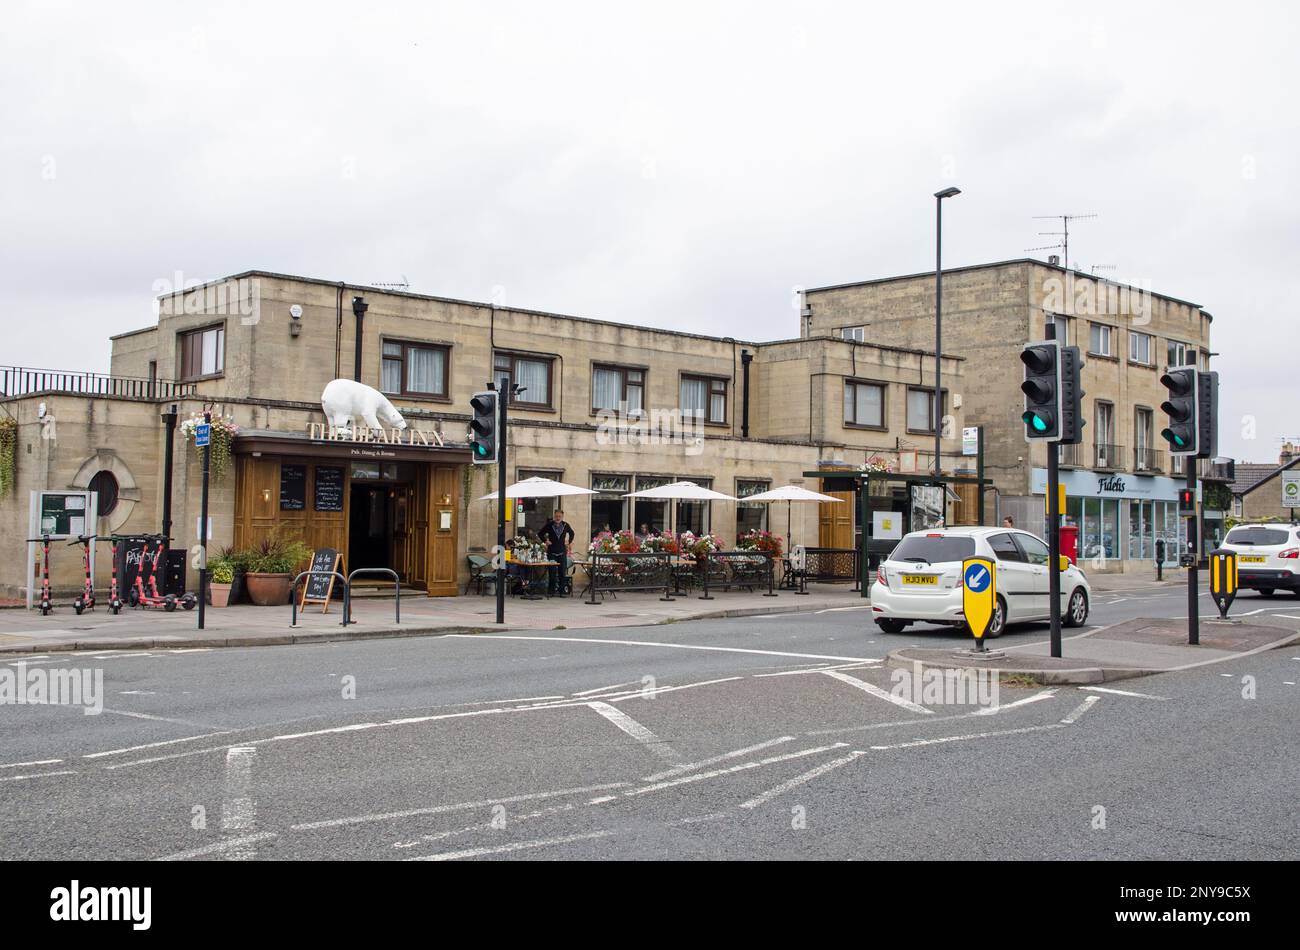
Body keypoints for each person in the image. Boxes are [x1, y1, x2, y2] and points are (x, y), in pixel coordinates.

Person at [539, 509, 575, 597]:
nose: (558, 518)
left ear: (562, 517)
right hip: (552, 552)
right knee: (552, 572)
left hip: (562, 551)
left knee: (562, 572)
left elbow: (572, 533)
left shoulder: (566, 525)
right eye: (556, 516)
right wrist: (545, 541)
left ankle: (562, 592)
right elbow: (540, 533)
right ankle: (551, 591)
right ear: (554, 516)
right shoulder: (550, 525)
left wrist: (569, 541)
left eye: (559, 516)